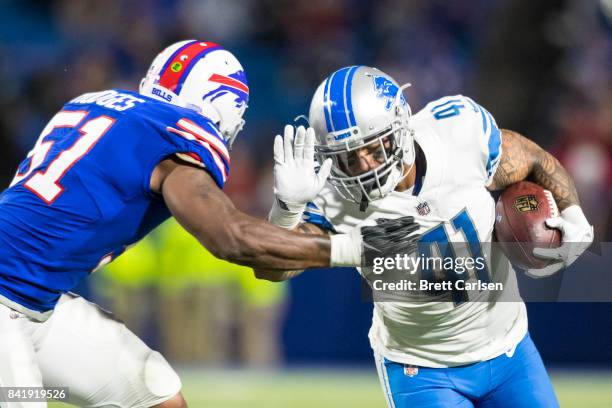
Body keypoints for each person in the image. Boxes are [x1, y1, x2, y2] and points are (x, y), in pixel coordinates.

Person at [0, 44, 419, 408]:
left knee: (156, 393)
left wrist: (289, 208)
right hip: (7, 298)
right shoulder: (173, 140)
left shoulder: (95, 103)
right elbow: (231, 239)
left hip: (36, 300)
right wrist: (362, 248)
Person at [255, 66, 594, 407]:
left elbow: (533, 159)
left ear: (400, 125)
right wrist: (286, 210)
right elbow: (273, 270)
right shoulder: (331, 194)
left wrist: (574, 213)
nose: (365, 166)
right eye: (347, 158)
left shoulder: (458, 132)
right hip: (421, 370)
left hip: (510, 348)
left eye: (375, 147)